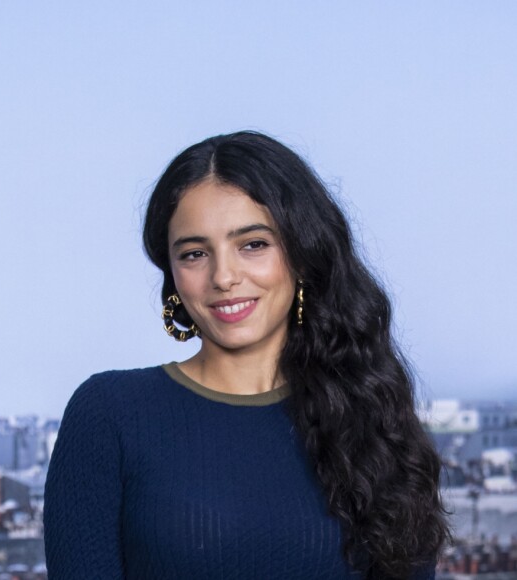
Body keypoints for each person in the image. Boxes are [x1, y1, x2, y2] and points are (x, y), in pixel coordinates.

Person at [44, 131, 450, 579]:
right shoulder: (109, 415)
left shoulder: (371, 417)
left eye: (253, 244)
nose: (224, 276)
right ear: (173, 273)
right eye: (195, 253)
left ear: (302, 253)